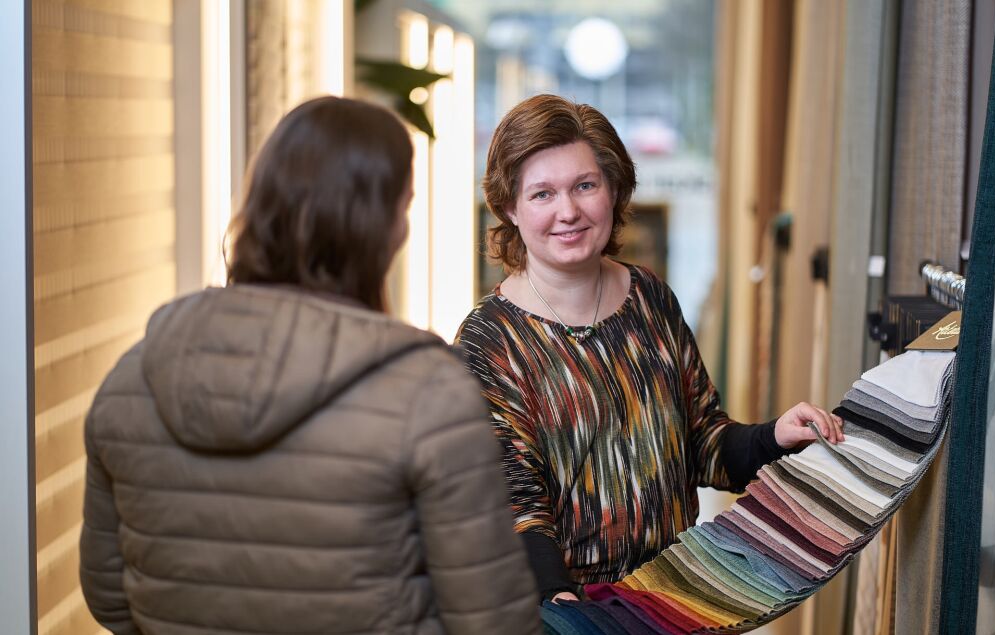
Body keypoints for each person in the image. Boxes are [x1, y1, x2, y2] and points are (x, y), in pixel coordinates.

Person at [79, 96, 542, 635]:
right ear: (383, 227)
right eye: (405, 206)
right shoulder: (428, 392)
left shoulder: (133, 379)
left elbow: (110, 597)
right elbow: (491, 621)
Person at [455, 94, 844, 603]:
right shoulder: (487, 343)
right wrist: (560, 605)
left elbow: (702, 442)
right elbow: (513, 509)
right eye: (542, 194)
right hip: (565, 613)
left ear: (614, 190)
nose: (568, 211)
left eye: (585, 186)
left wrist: (775, 436)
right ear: (509, 206)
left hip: (673, 599)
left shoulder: (649, 296)